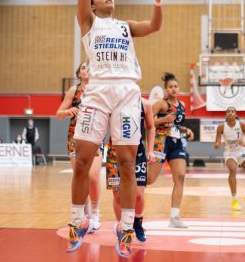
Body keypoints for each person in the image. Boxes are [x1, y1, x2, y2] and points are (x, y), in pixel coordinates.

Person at [67, 0, 165, 258]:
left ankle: (124, 229)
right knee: (82, 161)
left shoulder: (125, 26)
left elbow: (153, 27)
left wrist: (157, 3)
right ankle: (77, 220)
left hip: (126, 93)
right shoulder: (88, 23)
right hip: (96, 91)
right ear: (93, 4)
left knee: (126, 164)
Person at [57, 61, 103, 234]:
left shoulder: (99, 89)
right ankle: (85, 215)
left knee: (92, 176)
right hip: (75, 137)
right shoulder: (73, 90)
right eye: (84, 67)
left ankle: (96, 214)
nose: (87, 69)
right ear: (78, 73)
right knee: (80, 175)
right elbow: (59, 113)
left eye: (90, 67)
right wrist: (68, 111)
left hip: (95, 136)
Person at [105, 97, 156, 242]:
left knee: (138, 194)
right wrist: (98, 146)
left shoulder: (144, 104)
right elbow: (102, 126)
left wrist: (151, 150)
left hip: (137, 153)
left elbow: (151, 127)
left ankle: (138, 223)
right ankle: (122, 228)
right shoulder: (111, 101)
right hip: (115, 152)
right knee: (118, 196)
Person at [146, 72, 193, 228]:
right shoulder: (161, 104)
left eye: (176, 86)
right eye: (170, 87)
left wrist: (186, 131)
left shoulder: (183, 105)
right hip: (161, 141)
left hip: (176, 142)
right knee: (149, 179)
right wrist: (163, 119)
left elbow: (176, 125)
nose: (174, 89)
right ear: (166, 90)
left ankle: (174, 217)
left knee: (180, 177)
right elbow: (148, 122)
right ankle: (130, 194)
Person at [214, 106, 245, 211]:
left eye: (232, 111)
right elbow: (217, 142)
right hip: (230, 152)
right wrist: (217, 144)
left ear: (236, 114)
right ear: (225, 114)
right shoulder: (221, 127)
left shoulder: (242, 124)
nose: (230, 113)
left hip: (241, 151)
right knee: (232, 170)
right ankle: (234, 199)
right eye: (228, 111)